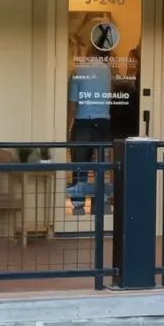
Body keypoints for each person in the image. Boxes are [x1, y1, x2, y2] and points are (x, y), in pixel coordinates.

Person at [65, 29, 119, 213]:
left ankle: (79, 206)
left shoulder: (79, 71)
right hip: (103, 122)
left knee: (80, 164)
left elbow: (72, 104)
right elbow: (110, 97)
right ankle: (101, 205)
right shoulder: (107, 71)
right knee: (101, 167)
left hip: (83, 122)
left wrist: (66, 128)